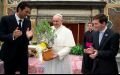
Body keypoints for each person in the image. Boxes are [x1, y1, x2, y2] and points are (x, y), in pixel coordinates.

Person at [0, 2, 33, 74]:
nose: (27, 14)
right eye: (26, 12)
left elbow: (29, 37)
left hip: (23, 56)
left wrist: (29, 37)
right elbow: (1, 36)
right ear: (19, 9)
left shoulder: (28, 22)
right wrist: (12, 35)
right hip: (9, 55)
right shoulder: (5, 19)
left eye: (29, 12)